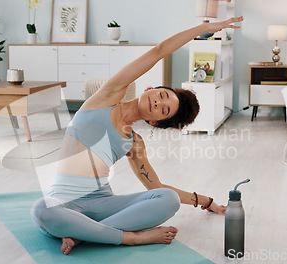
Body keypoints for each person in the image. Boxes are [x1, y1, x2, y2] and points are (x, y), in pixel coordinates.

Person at [31, 16, 244, 255]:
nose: (158, 103)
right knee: (41, 210)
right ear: (150, 89)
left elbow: (156, 186)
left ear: (155, 121)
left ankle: (85, 234)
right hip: (64, 202)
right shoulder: (107, 96)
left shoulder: (134, 142)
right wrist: (204, 28)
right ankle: (130, 238)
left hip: (103, 204)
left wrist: (206, 201)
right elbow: (158, 51)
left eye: (164, 111)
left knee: (168, 199)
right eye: (162, 96)